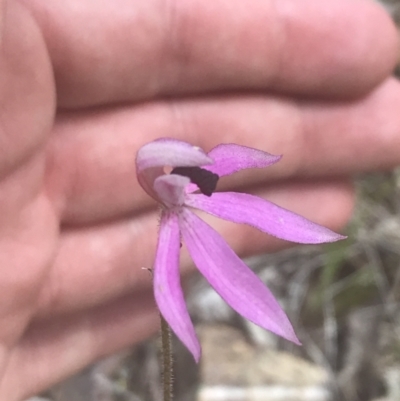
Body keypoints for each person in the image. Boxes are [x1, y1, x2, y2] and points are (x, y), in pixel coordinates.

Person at [1, 0, 399, 399]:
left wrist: (238, 164)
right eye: (165, 173)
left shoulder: (202, 186)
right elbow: (168, 293)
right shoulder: (172, 212)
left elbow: (247, 173)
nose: (172, 180)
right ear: (155, 182)